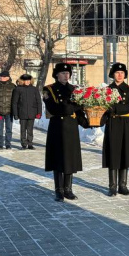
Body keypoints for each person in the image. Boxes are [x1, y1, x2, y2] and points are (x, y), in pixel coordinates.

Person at [43, 64, 89, 202]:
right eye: (62, 73)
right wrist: (74, 107)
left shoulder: (74, 89)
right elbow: (55, 108)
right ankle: (59, 190)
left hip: (71, 128)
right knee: (58, 159)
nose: (66, 75)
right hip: (57, 127)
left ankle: (68, 189)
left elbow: (79, 112)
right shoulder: (49, 89)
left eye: (68, 73)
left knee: (69, 159)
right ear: (57, 74)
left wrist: (88, 122)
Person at [102, 62, 129, 196]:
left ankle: (123, 185)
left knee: (125, 153)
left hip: (126, 123)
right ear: (113, 74)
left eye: (122, 73)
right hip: (112, 123)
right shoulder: (107, 90)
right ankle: (112, 186)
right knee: (113, 153)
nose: (120, 75)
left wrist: (114, 108)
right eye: (117, 72)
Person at [12, 74, 42, 150]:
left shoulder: (34, 89)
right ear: (22, 81)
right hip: (22, 112)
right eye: (26, 80)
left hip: (32, 112)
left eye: (28, 80)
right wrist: (15, 114)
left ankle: (30, 144)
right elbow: (14, 102)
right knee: (23, 129)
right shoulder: (18, 89)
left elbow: (39, 101)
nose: (27, 82)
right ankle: (24, 144)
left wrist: (39, 113)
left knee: (30, 129)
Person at [0, 70, 16, 149]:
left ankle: (8, 144)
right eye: (1, 76)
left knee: (9, 129)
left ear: (8, 77)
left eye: (4, 76)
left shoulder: (13, 86)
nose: (2, 78)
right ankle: (0, 144)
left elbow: (16, 99)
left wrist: (15, 110)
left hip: (9, 111)